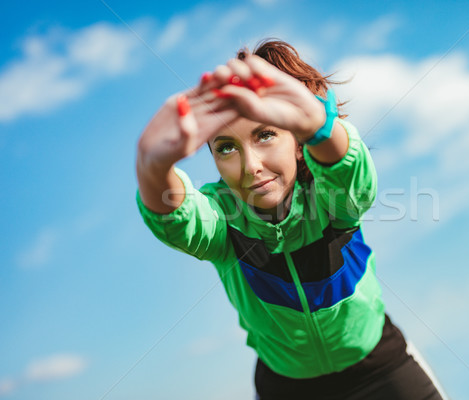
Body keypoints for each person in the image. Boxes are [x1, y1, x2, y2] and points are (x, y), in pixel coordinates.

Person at [136, 39, 446, 400]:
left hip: (381, 368)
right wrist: (153, 166)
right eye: (226, 147)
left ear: (297, 141)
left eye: (265, 134)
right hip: (287, 388)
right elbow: (179, 218)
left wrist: (320, 126)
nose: (251, 165)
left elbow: (349, 173)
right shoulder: (221, 219)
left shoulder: (330, 197)